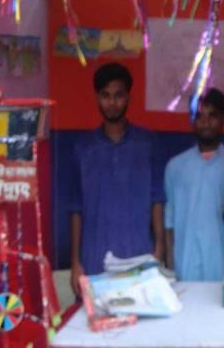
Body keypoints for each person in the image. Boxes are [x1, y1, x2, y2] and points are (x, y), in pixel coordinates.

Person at [69, 63, 165, 296]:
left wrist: (159, 248)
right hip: (94, 260)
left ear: (128, 97)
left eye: (118, 95)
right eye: (105, 95)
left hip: (139, 256)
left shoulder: (147, 144)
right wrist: (75, 262)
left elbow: (157, 200)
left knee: (140, 316)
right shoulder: (83, 148)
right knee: (95, 317)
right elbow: (75, 209)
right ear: (97, 98)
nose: (112, 102)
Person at [164, 88, 224, 281]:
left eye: (212, 115)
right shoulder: (175, 167)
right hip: (185, 270)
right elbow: (169, 222)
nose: (206, 122)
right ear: (192, 120)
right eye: (199, 116)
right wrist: (170, 266)